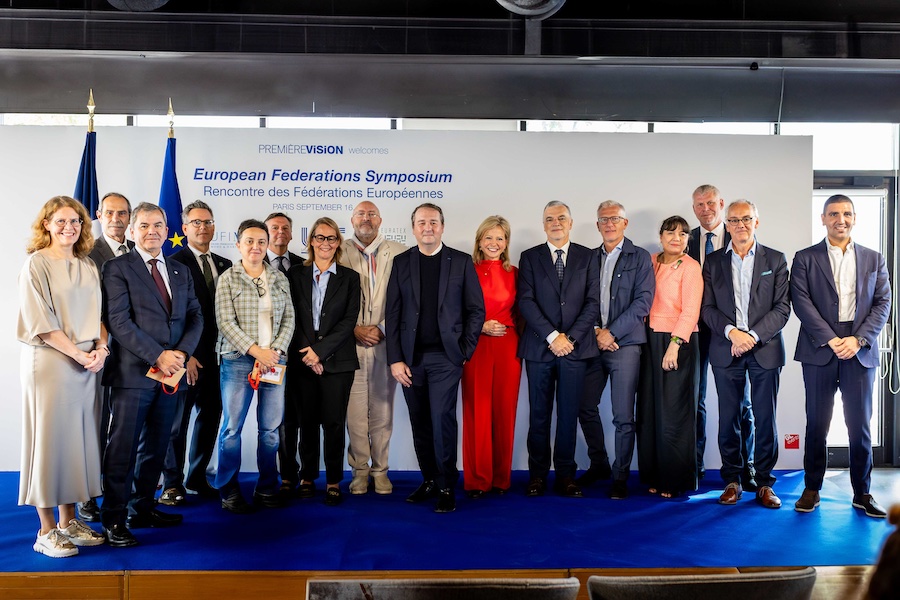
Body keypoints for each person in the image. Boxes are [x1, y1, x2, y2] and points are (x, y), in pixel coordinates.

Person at [100, 202, 203, 547]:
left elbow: (195, 317)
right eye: (144, 226)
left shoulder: (179, 270)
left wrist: (182, 354)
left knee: (157, 447)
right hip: (134, 374)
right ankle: (114, 519)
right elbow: (119, 322)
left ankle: (141, 509)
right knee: (123, 450)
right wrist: (158, 354)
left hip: (170, 374)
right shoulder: (117, 268)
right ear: (132, 231)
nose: (153, 231)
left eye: (159, 225)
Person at [18, 196, 108, 557]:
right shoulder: (36, 264)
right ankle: (45, 530)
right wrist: (79, 354)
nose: (69, 227)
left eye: (76, 222)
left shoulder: (87, 265)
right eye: (61, 221)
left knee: (78, 443)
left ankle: (69, 522)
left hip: (88, 364)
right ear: (46, 224)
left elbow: (102, 316)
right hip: (52, 362)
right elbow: (40, 323)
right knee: (50, 443)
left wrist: (101, 350)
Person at [791, 194, 891, 518]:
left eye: (847, 213)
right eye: (833, 214)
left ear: (854, 218)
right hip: (820, 347)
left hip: (859, 350)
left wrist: (858, 339)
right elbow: (801, 302)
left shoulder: (875, 259)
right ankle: (812, 488)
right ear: (823, 218)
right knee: (817, 424)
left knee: (859, 424)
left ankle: (862, 492)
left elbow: (883, 304)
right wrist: (833, 340)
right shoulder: (805, 258)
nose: (841, 219)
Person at [386, 203, 485, 513]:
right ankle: (429, 479)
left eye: (432, 222)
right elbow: (393, 312)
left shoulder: (461, 261)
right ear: (413, 228)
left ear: (442, 226)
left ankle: (445, 485)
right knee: (420, 423)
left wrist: (464, 352)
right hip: (410, 360)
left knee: (442, 422)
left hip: (446, 358)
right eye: (421, 222)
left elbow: (475, 310)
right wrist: (395, 359)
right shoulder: (402, 262)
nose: (427, 227)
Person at [700, 200, 790, 509]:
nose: (740, 225)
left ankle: (764, 482)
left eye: (746, 219)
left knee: (765, 418)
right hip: (726, 349)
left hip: (764, 348)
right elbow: (707, 309)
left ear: (756, 222)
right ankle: (732, 481)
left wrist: (750, 337)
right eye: (734, 220)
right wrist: (732, 334)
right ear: (726, 225)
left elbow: (782, 308)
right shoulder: (712, 263)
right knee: (730, 419)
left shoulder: (776, 259)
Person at [518, 201, 599, 499]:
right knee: (539, 415)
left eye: (561, 218)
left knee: (568, 416)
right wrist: (553, 336)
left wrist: (571, 338)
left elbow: (593, 302)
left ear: (571, 222)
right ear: (543, 225)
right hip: (540, 348)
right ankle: (537, 476)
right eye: (549, 219)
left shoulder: (588, 257)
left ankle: (566, 475)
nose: (556, 223)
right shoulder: (530, 257)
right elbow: (525, 301)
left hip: (576, 350)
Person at [213, 219, 295, 513]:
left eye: (261, 241)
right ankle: (228, 488)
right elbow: (225, 322)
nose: (256, 247)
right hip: (237, 360)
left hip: (274, 360)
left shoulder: (279, 279)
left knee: (270, 430)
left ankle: (266, 486)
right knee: (232, 429)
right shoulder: (228, 278)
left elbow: (289, 320)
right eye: (249, 241)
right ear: (238, 244)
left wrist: (274, 351)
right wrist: (255, 350)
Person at [577, 201, 654, 500]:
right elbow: (582, 299)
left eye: (615, 219)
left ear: (625, 223)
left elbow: (643, 302)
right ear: (597, 225)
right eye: (603, 219)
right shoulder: (588, 258)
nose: (609, 224)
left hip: (625, 344)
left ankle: (620, 476)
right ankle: (599, 465)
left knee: (623, 415)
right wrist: (596, 331)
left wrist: (612, 332)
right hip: (592, 343)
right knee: (585, 406)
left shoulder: (641, 257)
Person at [160, 200, 232, 504]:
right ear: (185, 227)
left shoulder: (226, 265)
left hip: (219, 360)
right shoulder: (171, 263)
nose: (203, 227)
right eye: (197, 222)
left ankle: (197, 476)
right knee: (176, 423)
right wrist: (186, 355)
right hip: (184, 358)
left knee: (210, 418)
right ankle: (172, 484)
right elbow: (169, 315)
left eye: (208, 222)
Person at [288, 217, 360, 506]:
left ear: (338, 243)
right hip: (302, 359)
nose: (326, 243)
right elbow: (289, 316)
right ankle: (306, 477)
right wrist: (309, 352)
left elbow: (348, 322)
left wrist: (322, 352)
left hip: (338, 361)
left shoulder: (350, 278)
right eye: (320, 237)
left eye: (331, 238)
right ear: (311, 242)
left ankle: (332, 480)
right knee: (306, 422)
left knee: (332, 422)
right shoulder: (295, 275)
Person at [688, 184, 755, 488]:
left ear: (722, 204)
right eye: (700, 204)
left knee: (743, 402)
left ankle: (747, 467)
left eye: (711, 203)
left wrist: (737, 332)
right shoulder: (685, 238)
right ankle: (696, 464)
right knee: (696, 399)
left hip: (734, 332)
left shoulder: (740, 232)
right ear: (694, 208)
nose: (706, 209)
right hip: (695, 331)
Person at [339, 201, 406, 495]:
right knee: (354, 413)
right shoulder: (337, 251)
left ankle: (380, 471)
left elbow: (407, 301)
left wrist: (381, 329)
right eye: (360, 214)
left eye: (371, 214)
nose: (366, 219)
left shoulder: (401, 252)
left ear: (380, 220)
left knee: (382, 411)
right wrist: (353, 329)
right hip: (348, 344)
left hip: (385, 342)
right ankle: (359, 471)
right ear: (352, 219)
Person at [78, 191, 134, 523]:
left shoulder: (135, 252)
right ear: (99, 214)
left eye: (122, 213)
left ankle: (122, 493)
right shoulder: (87, 254)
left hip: (130, 354)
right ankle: (87, 493)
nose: (116, 219)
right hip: (96, 350)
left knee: (123, 429)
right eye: (110, 213)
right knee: (94, 426)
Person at [637, 215, 702, 498]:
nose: (677, 238)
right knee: (650, 411)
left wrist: (674, 344)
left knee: (674, 413)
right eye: (671, 232)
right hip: (648, 339)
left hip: (678, 340)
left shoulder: (690, 267)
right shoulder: (649, 261)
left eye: (683, 234)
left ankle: (675, 480)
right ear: (661, 235)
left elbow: (690, 311)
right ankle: (653, 475)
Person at [460, 216, 522, 498]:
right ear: (479, 241)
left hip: (508, 346)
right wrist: (480, 326)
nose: (494, 243)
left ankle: (500, 478)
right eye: (488, 238)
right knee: (477, 412)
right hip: (476, 346)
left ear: (506, 242)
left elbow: (524, 312)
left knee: (504, 411)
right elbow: (453, 311)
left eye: (499, 238)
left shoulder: (517, 273)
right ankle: (477, 480)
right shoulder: (465, 271)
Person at [264, 211, 304, 496]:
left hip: (298, 354)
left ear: (291, 234)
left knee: (291, 417)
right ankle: (266, 478)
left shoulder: (304, 265)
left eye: (285, 228)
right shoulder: (249, 265)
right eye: (274, 228)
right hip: (261, 356)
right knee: (268, 421)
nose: (280, 232)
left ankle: (290, 473)